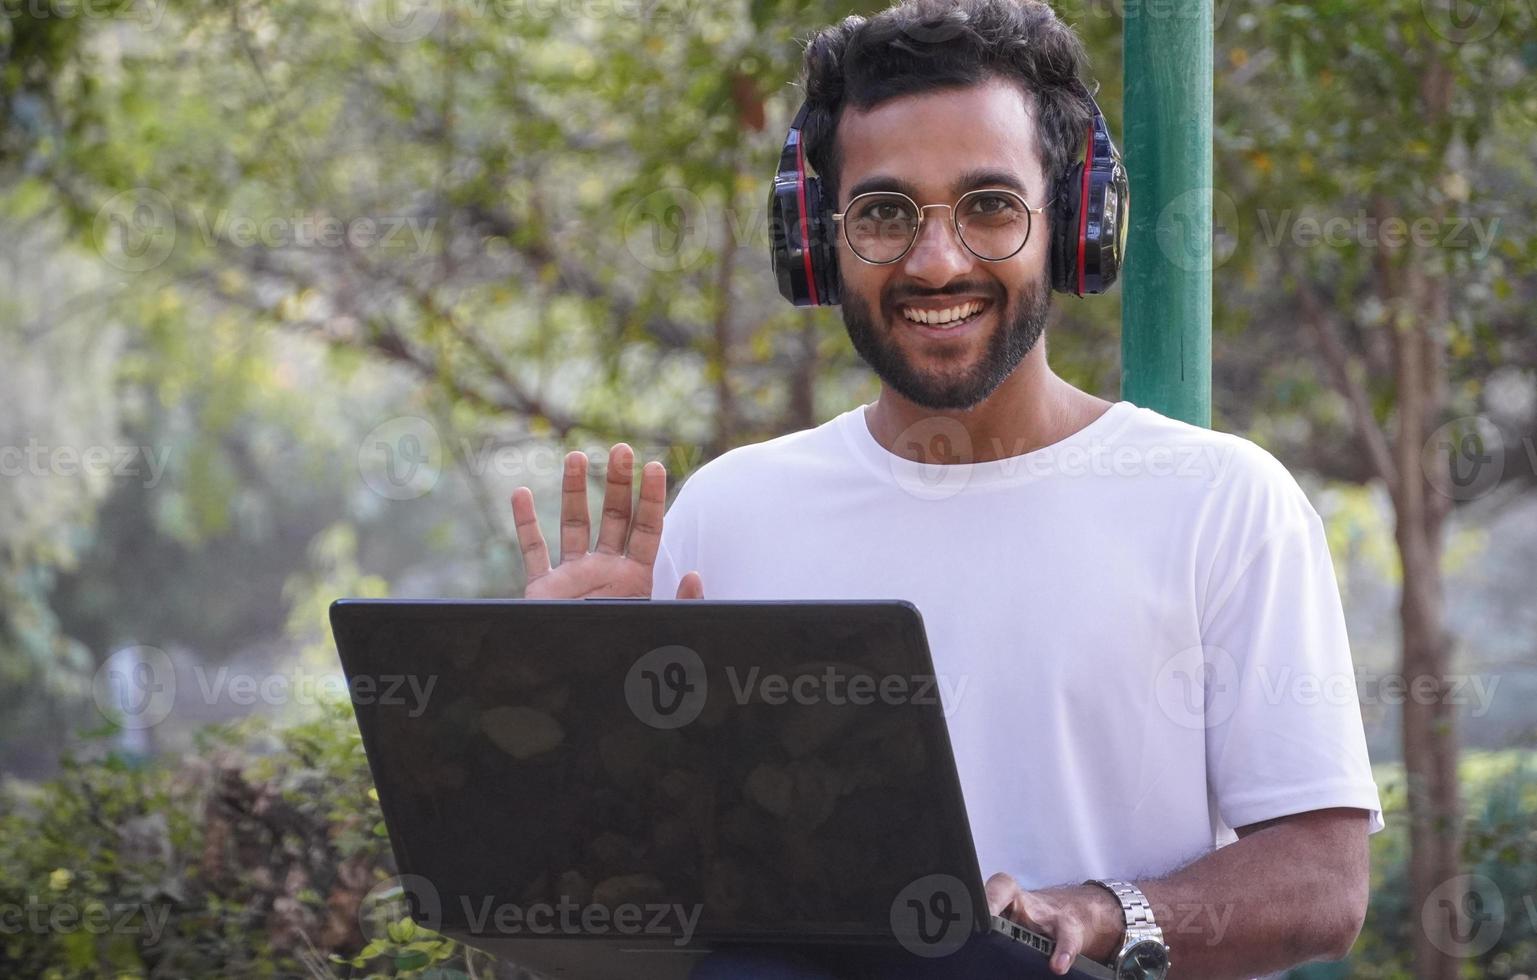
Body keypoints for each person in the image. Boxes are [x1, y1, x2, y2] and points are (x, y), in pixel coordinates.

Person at [510, 1, 1384, 977]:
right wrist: (585, 722)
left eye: (989, 206)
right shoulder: (727, 513)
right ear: (815, 239)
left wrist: (1093, 912)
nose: (936, 261)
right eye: (884, 213)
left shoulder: (1221, 499)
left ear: (1071, 222)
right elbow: (629, 907)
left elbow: (1321, 882)